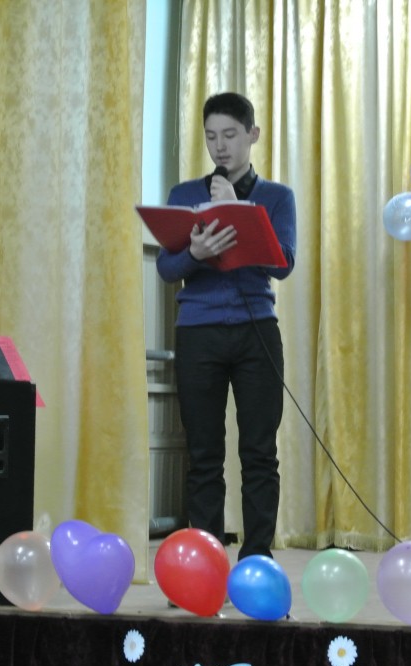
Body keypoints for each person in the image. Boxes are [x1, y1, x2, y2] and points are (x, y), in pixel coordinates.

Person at [157, 92, 297, 560]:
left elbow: (283, 264)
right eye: (212, 136)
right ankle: (207, 559)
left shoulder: (277, 197)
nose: (220, 147)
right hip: (198, 333)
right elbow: (166, 268)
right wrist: (194, 254)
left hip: (257, 332)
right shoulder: (183, 196)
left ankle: (256, 557)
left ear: (252, 135)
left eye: (231, 135)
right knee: (203, 455)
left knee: (259, 453)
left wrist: (240, 211)